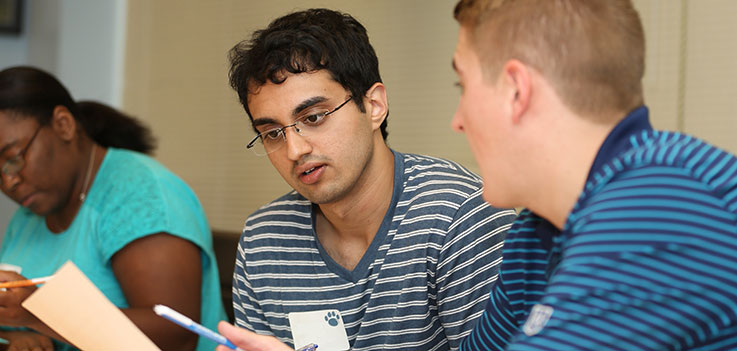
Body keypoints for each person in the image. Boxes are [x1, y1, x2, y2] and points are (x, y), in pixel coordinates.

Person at [218, 8, 516, 351]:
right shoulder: (264, 240)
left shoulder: (457, 215)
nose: (294, 149)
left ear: (374, 105)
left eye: (314, 117)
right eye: (272, 133)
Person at [450, 0, 737, 350]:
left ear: (516, 91)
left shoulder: (660, 207)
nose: (458, 121)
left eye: (461, 86)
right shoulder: (534, 235)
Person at [0, 66, 226, 351]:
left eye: (13, 158)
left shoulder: (144, 195)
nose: (9, 181)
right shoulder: (30, 213)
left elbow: (174, 336)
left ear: (63, 124)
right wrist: (15, 337)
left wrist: (38, 314)